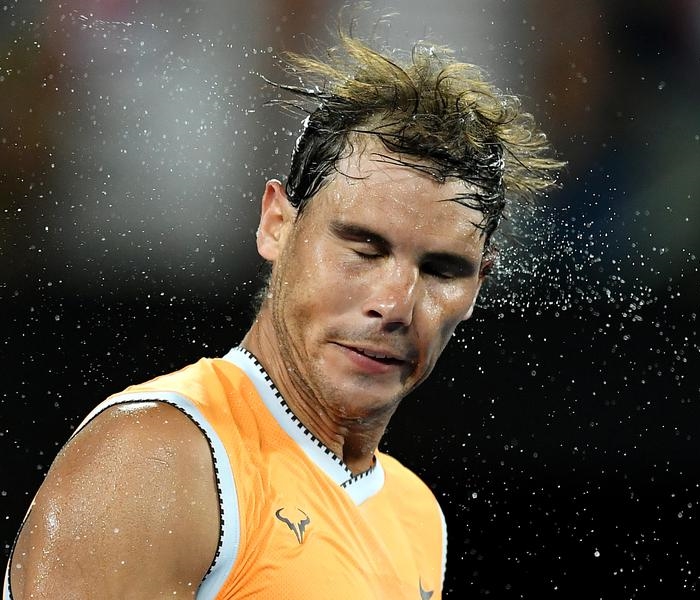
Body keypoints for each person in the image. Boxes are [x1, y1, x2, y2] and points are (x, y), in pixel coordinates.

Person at [3, 24, 562, 600]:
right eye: (364, 249)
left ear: (477, 287)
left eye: (442, 270)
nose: (395, 305)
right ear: (277, 225)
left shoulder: (416, 516)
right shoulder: (157, 459)